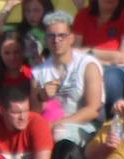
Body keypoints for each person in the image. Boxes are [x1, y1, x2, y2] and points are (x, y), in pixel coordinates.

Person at [34, 12, 105, 147]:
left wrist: (58, 123)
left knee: (59, 133)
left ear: (71, 38)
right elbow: (34, 112)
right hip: (48, 124)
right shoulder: (38, 71)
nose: (56, 40)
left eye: (62, 35)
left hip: (83, 125)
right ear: (45, 39)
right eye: (51, 36)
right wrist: (41, 96)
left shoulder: (88, 65)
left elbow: (93, 109)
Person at [72, 0, 124, 113]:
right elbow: (74, 53)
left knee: (110, 77)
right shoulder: (83, 15)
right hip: (89, 67)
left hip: (118, 70)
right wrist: (106, 60)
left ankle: (113, 119)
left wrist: (90, 51)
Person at [0, 31, 33, 119]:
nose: (12, 57)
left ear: (23, 52)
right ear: (0, 54)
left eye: (16, 52)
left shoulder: (33, 75)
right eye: (7, 53)